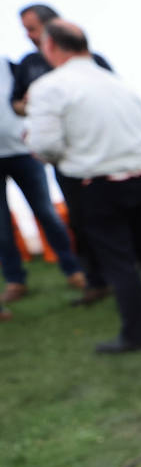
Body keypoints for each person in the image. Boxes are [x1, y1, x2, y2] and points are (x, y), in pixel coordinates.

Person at [25, 20, 141, 354]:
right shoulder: (118, 83)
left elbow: (46, 146)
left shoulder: (50, 87)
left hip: (95, 185)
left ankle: (139, 333)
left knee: (118, 261)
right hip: (136, 178)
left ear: (50, 47)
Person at [12, 3, 114, 305]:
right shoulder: (29, 63)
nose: (28, 36)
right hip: (67, 163)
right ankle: (94, 279)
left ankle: (126, 279)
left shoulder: (93, 63)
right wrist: (31, 105)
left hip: (102, 156)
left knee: (113, 221)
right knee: (80, 220)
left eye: (31, 28)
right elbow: (16, 104)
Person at [1, 56, 86, 302]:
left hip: (24, 152)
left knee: (46, 212)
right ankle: (15, 280)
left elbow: (27, 103)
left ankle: (73, 269)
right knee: (1, 226)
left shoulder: (11, 67)